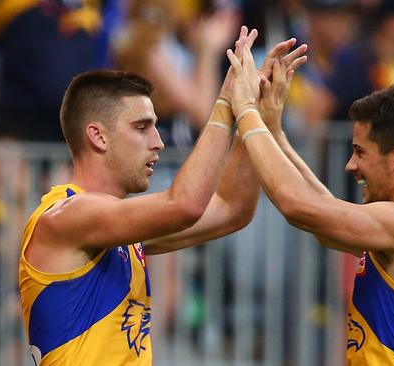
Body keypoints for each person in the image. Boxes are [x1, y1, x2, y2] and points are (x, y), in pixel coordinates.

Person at [17, 26, 307, 365]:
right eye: (141, 127)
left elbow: (231, 210)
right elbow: (185, 205)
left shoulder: (116, 230)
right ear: (98, 136)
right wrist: (227, 103)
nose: (158, 142)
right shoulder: (67, 215)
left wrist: (254, 111)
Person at [227, 42, 394, 364]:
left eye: (360, 152)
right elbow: (324, 217)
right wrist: (274, 131)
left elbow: (299, 206)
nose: (350, 165)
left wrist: (245, 111)